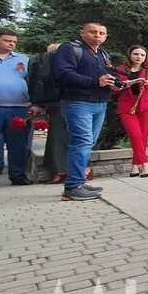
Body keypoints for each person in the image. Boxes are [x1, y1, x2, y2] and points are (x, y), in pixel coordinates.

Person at [55, 22, 115, 200]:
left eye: (102, 33)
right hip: (77, 102)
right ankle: (72, 186)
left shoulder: (103, 54)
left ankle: (79, 181)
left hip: (99, 102)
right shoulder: (70, 48)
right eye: (93, 32)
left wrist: (117, 83)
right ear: (82, 33)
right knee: (82, 141)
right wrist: (95, 82)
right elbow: (63, 73)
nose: (98, 35)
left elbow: (107, 75)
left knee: (88, 142)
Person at [0, 27, 36, 186]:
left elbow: (34, 82)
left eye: (14, 42)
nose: (11, 44)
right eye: (7, 41)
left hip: (18, 108)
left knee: (19, 144)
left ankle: (18, 176)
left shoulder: (23, 59)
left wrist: (35, 103)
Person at [113, 45, 148, 177]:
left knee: (142, 137)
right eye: (136, 54)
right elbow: (113, 89)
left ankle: (134, 165)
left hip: (146, 106)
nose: (139, 57)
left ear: (145, 57)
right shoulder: (121, 70)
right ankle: (145, 164)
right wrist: (124, 85)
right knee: (135, 135)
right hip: (127, 106)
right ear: (130, 55)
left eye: (142, 55)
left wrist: (146, 84)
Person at [27, 43, 69, 184]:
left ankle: (57, 170)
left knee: (57, 136)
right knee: (60, 136)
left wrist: (39, 103)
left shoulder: (42, 61)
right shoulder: (51, 61)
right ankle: (61, 170)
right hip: (61, 102)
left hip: (54, 102)